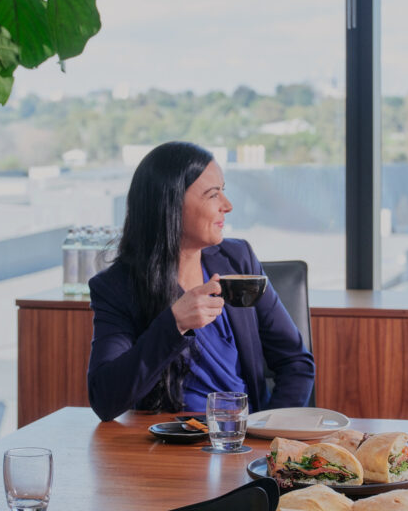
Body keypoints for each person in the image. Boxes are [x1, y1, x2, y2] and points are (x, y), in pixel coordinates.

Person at [87, 141, 315, 421]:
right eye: (212, 195)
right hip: (167, 449)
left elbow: (296, 362)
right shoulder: (116, 287)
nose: (227, 206)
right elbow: (105, 399)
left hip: (243, 443)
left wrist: (264, 431)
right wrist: (173, 324)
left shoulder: (238, 259)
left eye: (224, 191)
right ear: (170, 205)